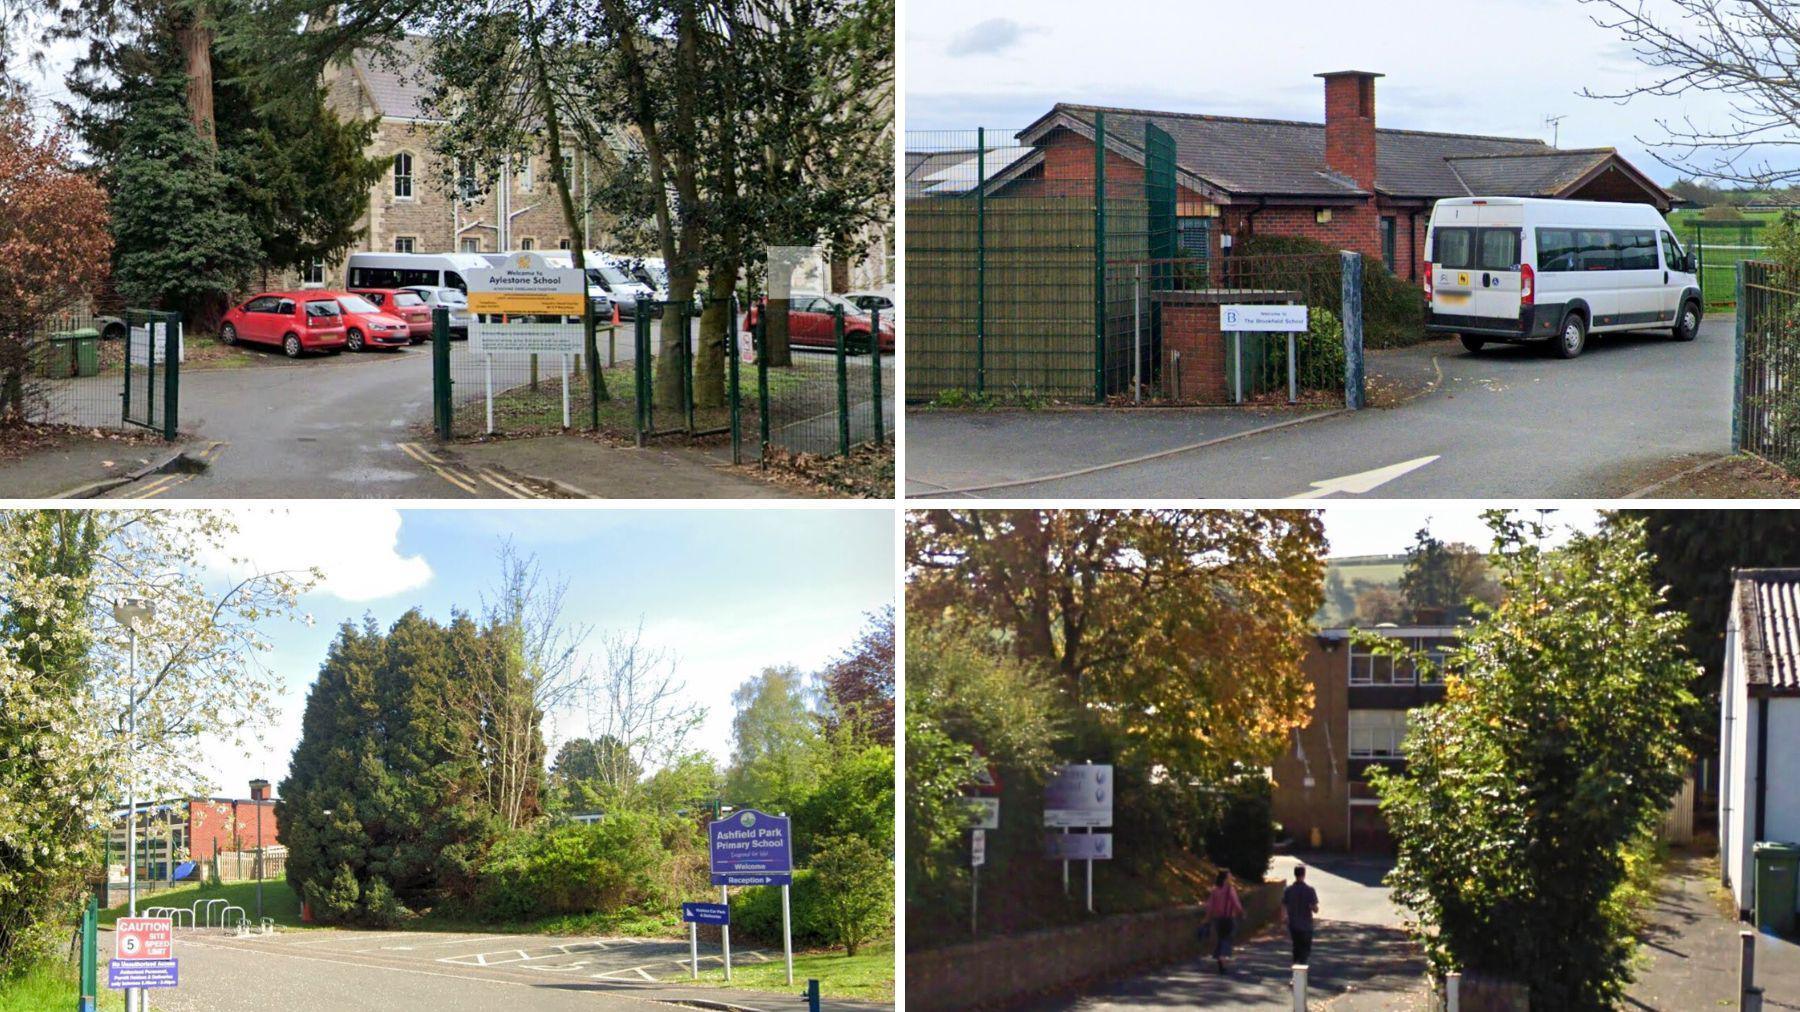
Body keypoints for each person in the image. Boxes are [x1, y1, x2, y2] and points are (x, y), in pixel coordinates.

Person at [1202, 870, 1244, 973]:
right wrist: (1241, 912)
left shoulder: (1215, 890)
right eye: (1229, 877)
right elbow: (1235, 903)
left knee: (1221, 938)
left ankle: (1219, 957)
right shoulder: (1230, 890)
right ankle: (1222, 958)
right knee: (1227, 938)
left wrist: (1207, 918)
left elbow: (1210, 906)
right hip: (1228, 918)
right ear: (1225, 879)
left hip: (1217, 919)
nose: (1231, 879)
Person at [1281, 863, 1320, 966]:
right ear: (1304, 875)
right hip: (1306, 926)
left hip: (1293, 925)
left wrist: (1285, 918)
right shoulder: (1310, 890)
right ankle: (1300, 974)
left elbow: (1284, 906)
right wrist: (1311, 907)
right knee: (1305, 951)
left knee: (1296, 948)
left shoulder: (1288, 890)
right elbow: (1316, 909)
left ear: (1295, 874)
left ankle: (1296, 971)